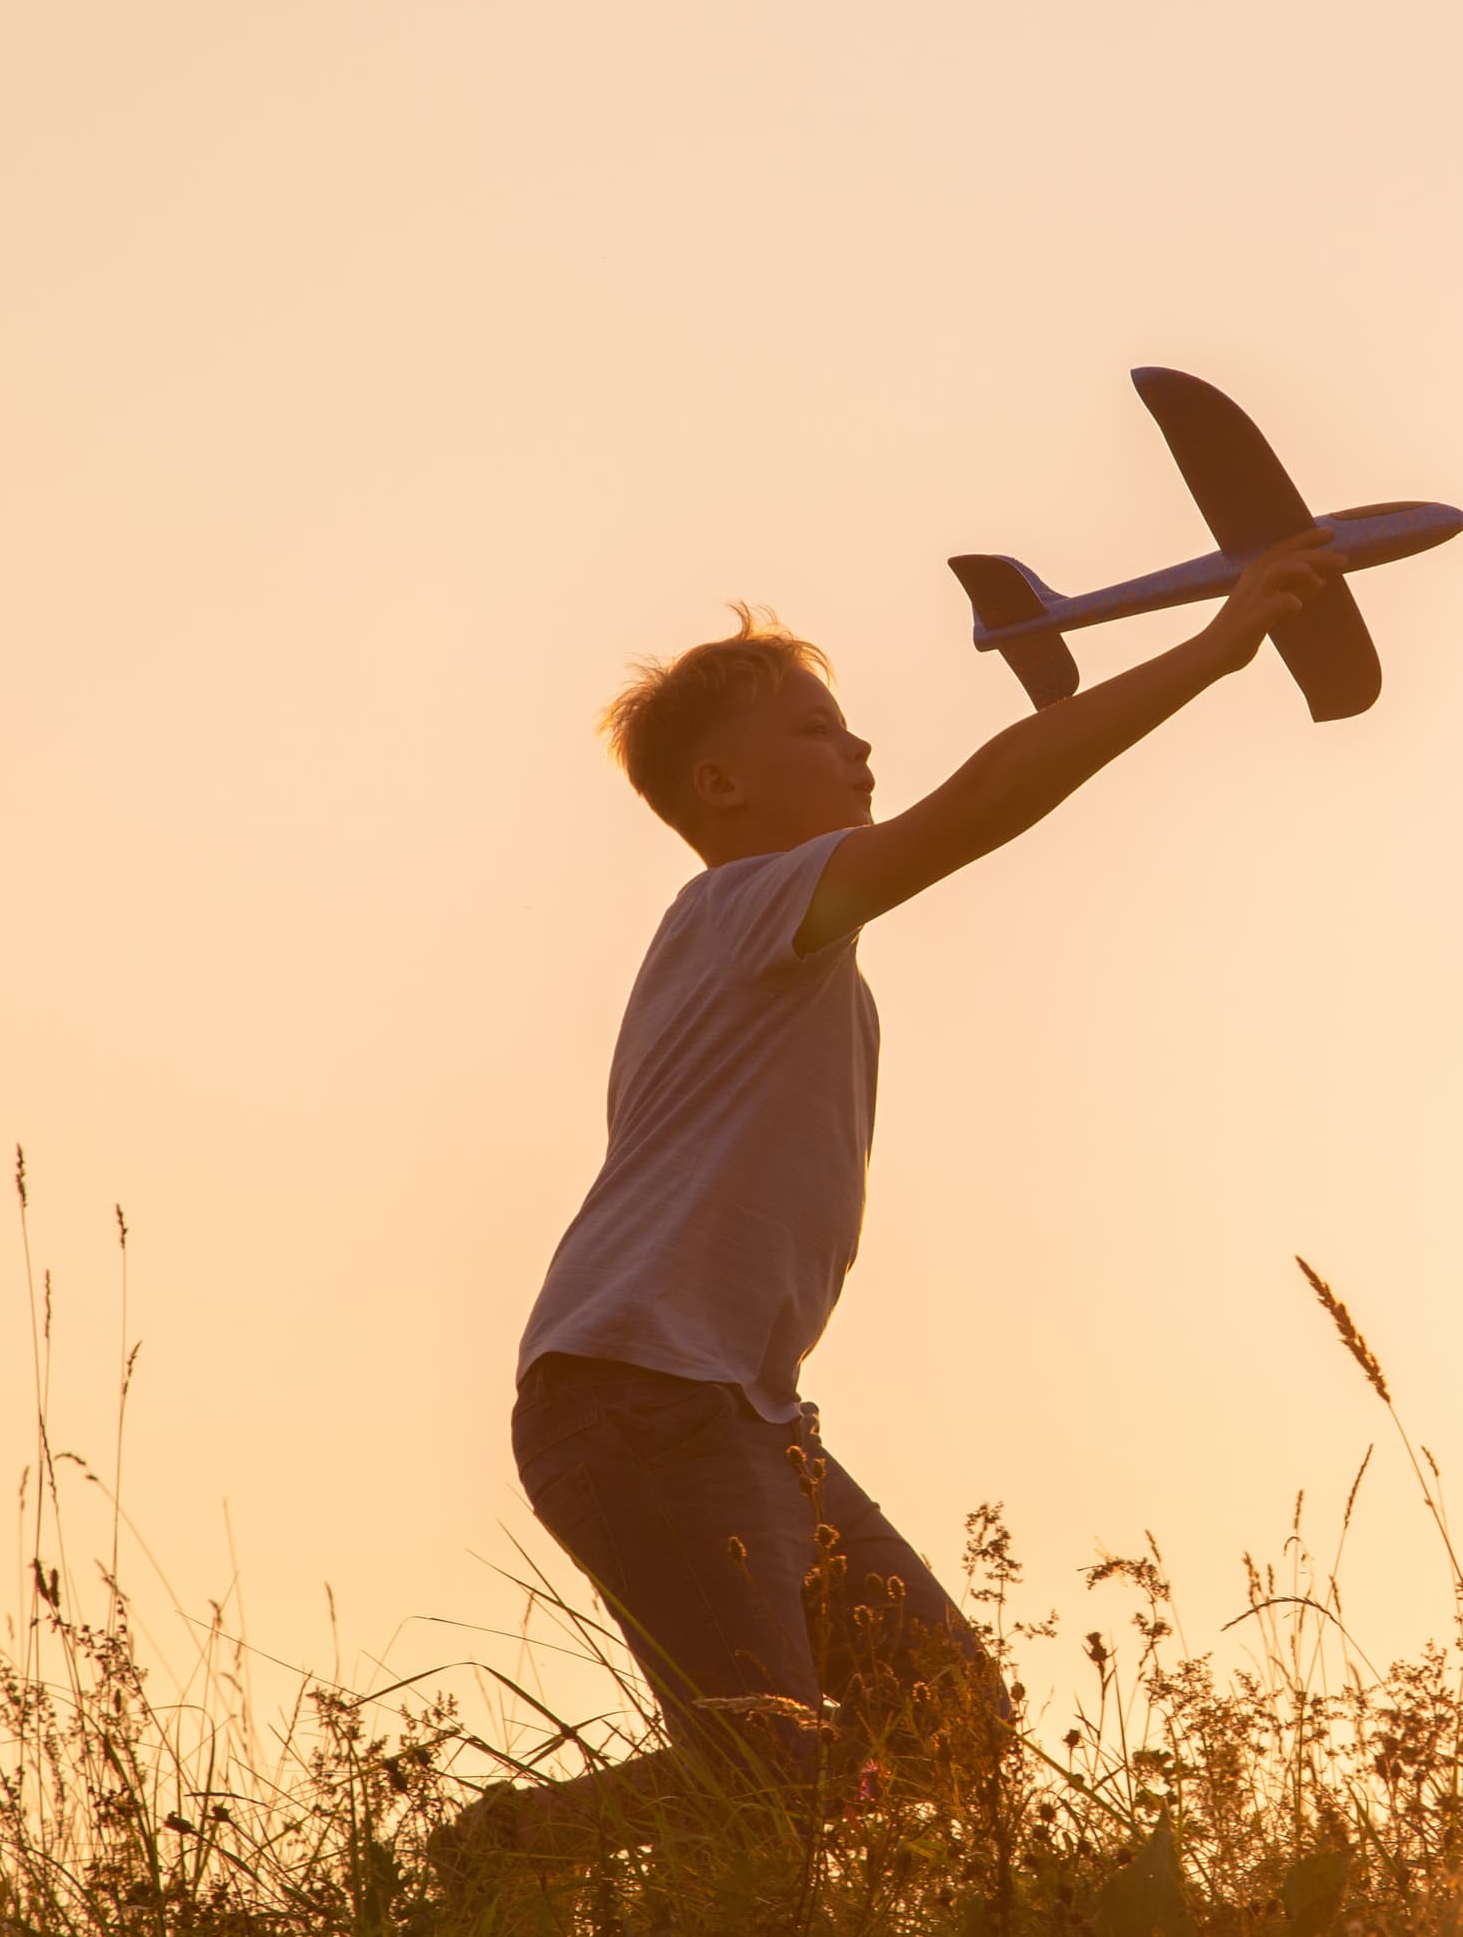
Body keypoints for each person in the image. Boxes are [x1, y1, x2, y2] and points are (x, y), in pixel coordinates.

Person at [501, 529, 1338, 1830]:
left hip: (739, 1417)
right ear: (719, 787)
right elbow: (981, 806)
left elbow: (977, 803)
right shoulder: (743, 912)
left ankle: (554, 1857)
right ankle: (538, 1871)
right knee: (768, 1767)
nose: (861, 752)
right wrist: (1215, 649)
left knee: (945, 1729)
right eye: (818, 730)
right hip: (641, 1399)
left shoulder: (792, 952)